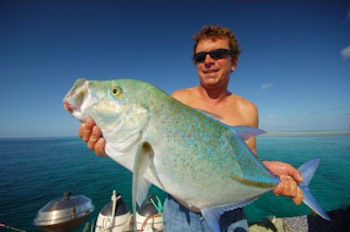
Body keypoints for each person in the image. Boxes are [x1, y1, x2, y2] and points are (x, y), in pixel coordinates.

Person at [74, 25, 304, 231]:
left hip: (230, 213)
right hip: (180, 215)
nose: (208, 61)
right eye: (200, 56)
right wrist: (108, 145)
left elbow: (246, 160)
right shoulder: (178, 100)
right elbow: (144, 151)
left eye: (218, 54)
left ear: (233, 62)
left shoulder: (247, 110)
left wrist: (269, 176)